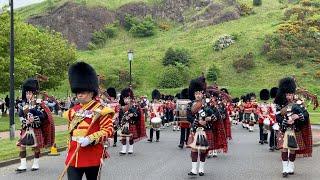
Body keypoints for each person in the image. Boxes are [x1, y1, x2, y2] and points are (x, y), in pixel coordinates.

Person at [63, 62, 114, 180]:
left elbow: (108, 130)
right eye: (78, 92)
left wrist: (89, 139)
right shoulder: (72, 111)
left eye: (83, 92)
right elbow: (70, 132)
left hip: (92, 155)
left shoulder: (101, 110)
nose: (79, 95)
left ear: (91, 92)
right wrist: (68, 148)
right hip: (73, 155)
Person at [274, 77, 312, 177]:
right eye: (287, 94)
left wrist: (298, 116)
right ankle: (284, 169)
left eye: (290, 94)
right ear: (284, 93)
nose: (289, 96)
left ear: (293, 93)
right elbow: (277, 116)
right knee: (284, 148)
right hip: (283, 129)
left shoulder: (298, 102)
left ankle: (291, 165)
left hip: (295, 129)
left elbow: (306, 114)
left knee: (292, 149)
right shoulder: (279, 103)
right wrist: (284, 121)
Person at [16, 78, 55, 173]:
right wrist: (25, 121)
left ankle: (36, 163)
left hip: (36, 128)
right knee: (21, 145)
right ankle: (23, 165)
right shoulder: (23, 104)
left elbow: (44, 116)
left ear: (33, 94)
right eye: (27, 93)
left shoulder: (39, 104)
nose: (27, 95)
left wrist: (34, 119)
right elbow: (20, 115)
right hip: (26, 128)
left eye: (29, 93)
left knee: (36, 147)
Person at [118, 88, 146, 155]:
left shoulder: (134, 106)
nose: (126, 100)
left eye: (127, 98)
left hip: (131, 123)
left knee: (131, 137)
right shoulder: (122, 107)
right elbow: (120, 116)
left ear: (130, 98)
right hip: (124, 123)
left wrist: (132, 114)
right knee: (123, 137)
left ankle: (130, 149)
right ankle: (123, 149)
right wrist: (121, 122)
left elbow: (137, 115)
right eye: (125, 98)